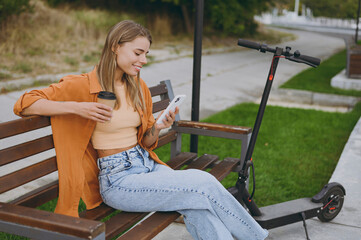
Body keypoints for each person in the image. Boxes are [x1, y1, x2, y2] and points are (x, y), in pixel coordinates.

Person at [13, 20, 268, 240]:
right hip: (118, 180)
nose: (143, 60)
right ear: (116, 46)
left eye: (146, 54)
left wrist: (158, 126)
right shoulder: (81, 85)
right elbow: (24, 103)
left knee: (197, 204)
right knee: (203, 182)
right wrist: (78, 108)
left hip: (146, 164)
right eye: (138, 53)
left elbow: (146, 142)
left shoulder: (137, 85)